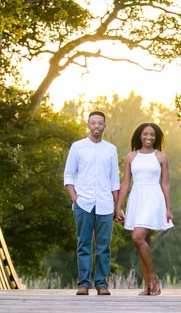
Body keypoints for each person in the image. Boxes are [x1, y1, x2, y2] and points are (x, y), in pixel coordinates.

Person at [63, 111, 120, 296]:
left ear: (104, 126)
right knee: (84, 244)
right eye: (93, 123)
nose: (96, 126)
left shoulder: (110, 149)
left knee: (104, 247)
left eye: (100, 123)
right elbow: (69, 175)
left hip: (105, 204)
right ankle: (83, 284)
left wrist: (117, 206)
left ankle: (102, 284)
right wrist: (75, 199)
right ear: (88, 125)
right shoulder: (78, 147)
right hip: (84, 203)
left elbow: (114, 181)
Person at [115, 123, 173, 296]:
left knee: (137, 237)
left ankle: (153, 280)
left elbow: (165, 183)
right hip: (137, 198)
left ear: (156, 137)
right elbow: (125, 182)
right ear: (140, 136)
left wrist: (169, 208)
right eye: (145, 134)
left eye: (152, 135)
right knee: (143, 243)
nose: (149, 137)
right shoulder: (131, 157)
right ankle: (148, 286)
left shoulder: (161, 156)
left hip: (154, 198)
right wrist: (118, 207)